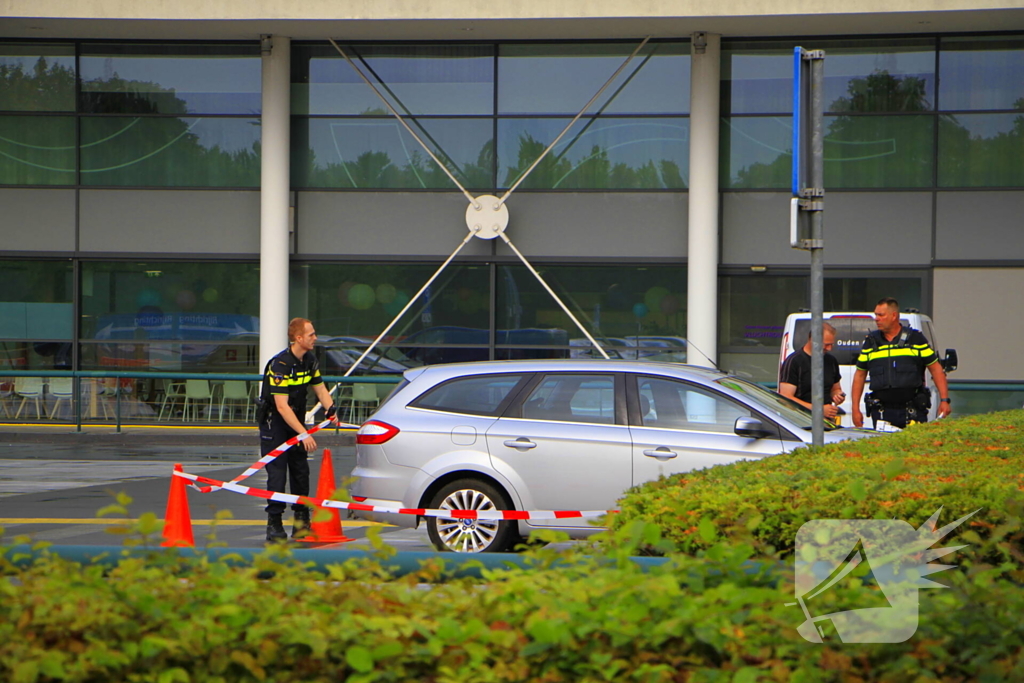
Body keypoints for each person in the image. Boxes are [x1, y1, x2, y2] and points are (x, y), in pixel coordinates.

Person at [258, 317, 336, 542]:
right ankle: (274, 525)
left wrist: (331, 409)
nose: (315, 338)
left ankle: (302, 522)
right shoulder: (280, 365)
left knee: (301, 471)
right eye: (311, 334)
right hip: (276, 425)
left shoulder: (309, 360)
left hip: (296, 422)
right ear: (298, 338)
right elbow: (282, 407)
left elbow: (320, 389)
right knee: (277, 474)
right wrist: (303, 433)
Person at [851, 298, 951, 430]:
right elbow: (860, 375)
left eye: (881, 315)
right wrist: (855, 408)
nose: (876, 319)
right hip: (882, 412)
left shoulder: (915, 339)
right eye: (876, 315)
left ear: (894, 316)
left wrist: (944, 400)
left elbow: (936, 369)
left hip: (912, 410)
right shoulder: (871, 342)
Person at [779, 322, 845, 421]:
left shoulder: (831, 361)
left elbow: (835, 389)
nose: (829, 348)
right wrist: (818, 410)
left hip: (826, 421)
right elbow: (785, 397)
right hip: (800, 420)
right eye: (826, 345)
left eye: (831, 344)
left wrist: (837, 396)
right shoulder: (794, 361)